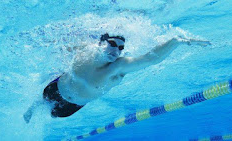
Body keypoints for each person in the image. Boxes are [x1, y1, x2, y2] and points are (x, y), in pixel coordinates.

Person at [23, 33, 210, 123]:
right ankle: (33, 106)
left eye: (121, 47)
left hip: (73, 106)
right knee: (41, 101)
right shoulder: (84, 50)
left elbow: (151, 58)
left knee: (53, 115)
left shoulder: (118, 67)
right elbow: (59, 45)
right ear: (100, 43)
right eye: (112, 44)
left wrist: (176, 41)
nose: (117, 50)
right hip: (56, 88)